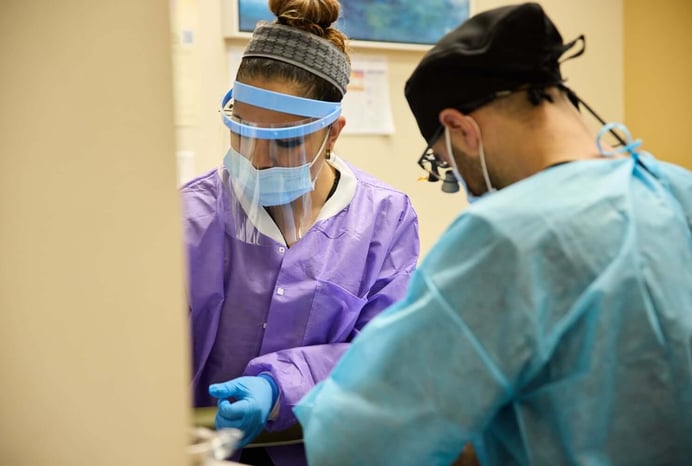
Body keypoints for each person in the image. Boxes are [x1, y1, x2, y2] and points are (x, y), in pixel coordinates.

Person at [294, 3, 692, 465]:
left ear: (460, 129)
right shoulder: (675, 189)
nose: (456, 178)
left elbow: (361, 441)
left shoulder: (507, 235)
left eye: (445, 164)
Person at [180, 0, 420, 464]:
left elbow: (388, 352)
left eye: (286, 142)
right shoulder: (189, 216)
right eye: (243, 132)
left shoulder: (384, 219)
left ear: (332, 134)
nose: (258, 160)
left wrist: (278, 386)